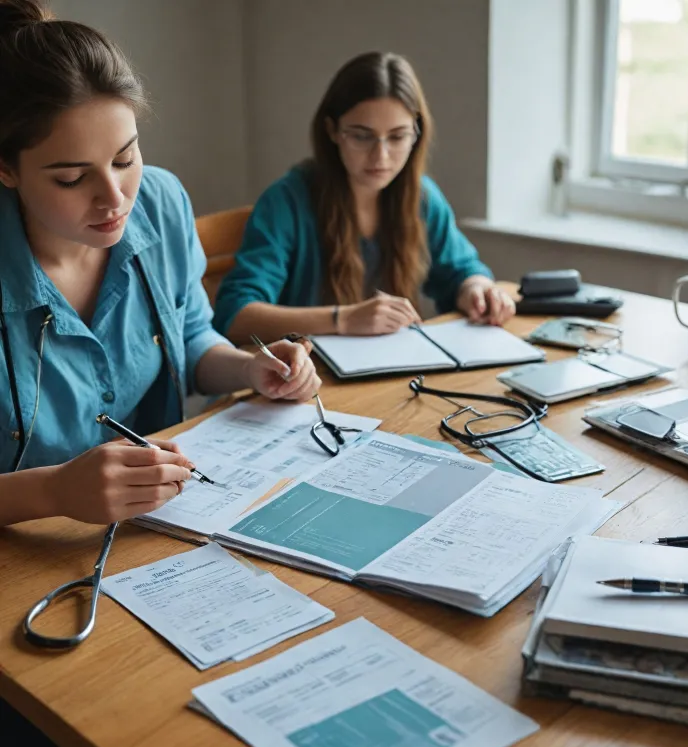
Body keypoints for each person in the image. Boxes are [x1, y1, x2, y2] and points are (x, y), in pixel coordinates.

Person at [0, 0, 321, 528]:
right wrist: (54, 492)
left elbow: (190, 333)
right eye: (71, 179)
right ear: (6, 170)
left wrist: (250, 368)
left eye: (125, 159)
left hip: (161, 528)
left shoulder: (161, 201)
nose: (115, 198)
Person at [213, 51, 515, 345]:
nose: (381, 156)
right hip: (304, 379)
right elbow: (235, 315)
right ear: (332, 130)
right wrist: (342, 319)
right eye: (361, 135)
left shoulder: (422, 198)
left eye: (397, 137)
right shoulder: (286, 202)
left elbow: (461, 271)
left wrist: (478, 289)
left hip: (392, 373)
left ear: (417, 134)